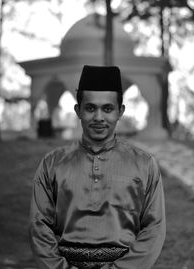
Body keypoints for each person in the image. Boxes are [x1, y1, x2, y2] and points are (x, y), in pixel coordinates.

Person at [29, 65, 166, 269]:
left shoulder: (144, 164)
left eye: (108, 109)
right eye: (90, 108)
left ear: (120, 111)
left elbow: (154, 229)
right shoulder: (52, 163)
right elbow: (39, 227)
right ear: (78, 110)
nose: (99, 117)